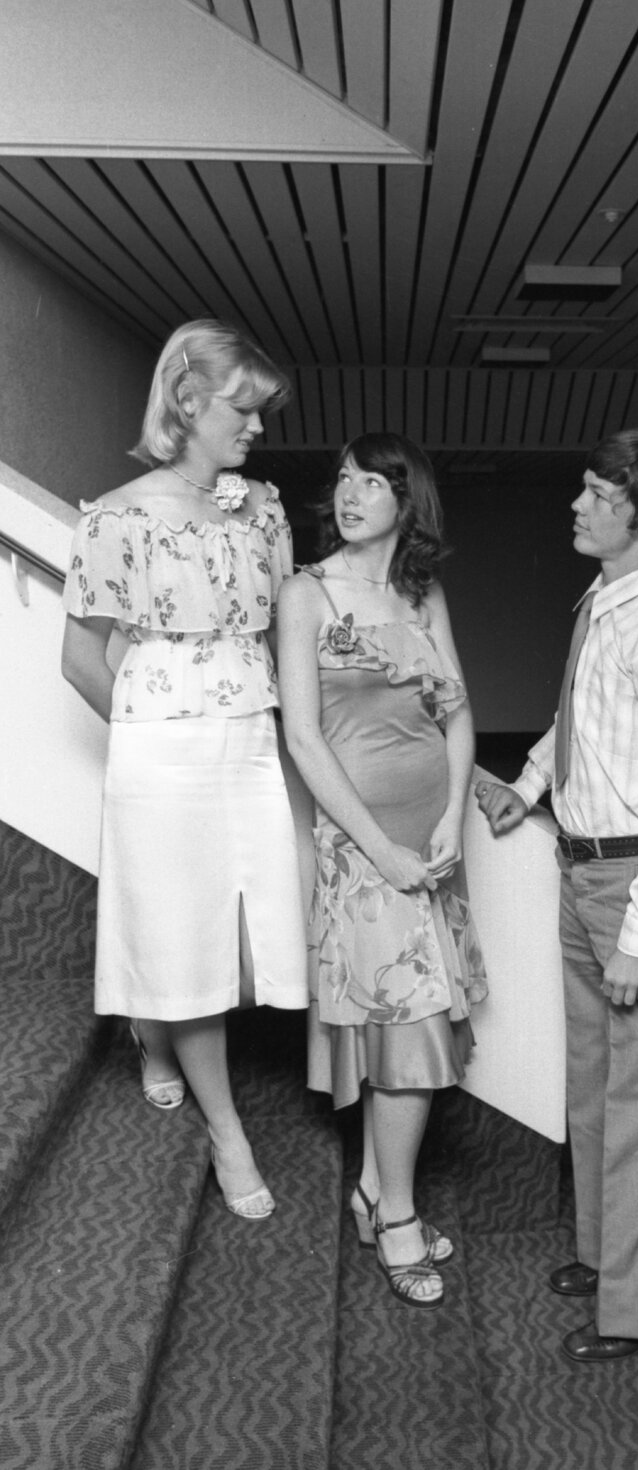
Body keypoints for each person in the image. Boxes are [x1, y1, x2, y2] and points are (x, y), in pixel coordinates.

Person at [476, 427, 638, 1361]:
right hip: (580, 867)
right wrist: (529, 786)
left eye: (597, 494)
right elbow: (576, 718)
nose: (576, 505)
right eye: (582, 487)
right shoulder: (602, 602)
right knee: (591, 1080)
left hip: (632, 882)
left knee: (637, 1096)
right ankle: (603, 1253)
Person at [61, 318, 309, 1220]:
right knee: (185, 934)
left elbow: (284, 639)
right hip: (164, 755)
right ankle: (227, 1130)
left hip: (250, 745)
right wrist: (152, 736)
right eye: (243, 409)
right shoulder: (117, 516)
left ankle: (153, 1024)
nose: (257, 427)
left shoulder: (263, 509)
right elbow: (80, 659)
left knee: (241, 935)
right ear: (187, 400)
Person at [278, 431, 486, 1311]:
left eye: (373, 481)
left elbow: (458, 714)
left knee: (411, 1025)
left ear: (407, 501)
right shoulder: (306, 592)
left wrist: (450, 818)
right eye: (343, 478)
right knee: (409, 1030)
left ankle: (372, 1193)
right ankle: (397, 1215)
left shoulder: (421, 592)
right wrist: (380, 848)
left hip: (429, 841)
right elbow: (302, 737)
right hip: (360, 844)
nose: (351, 492)